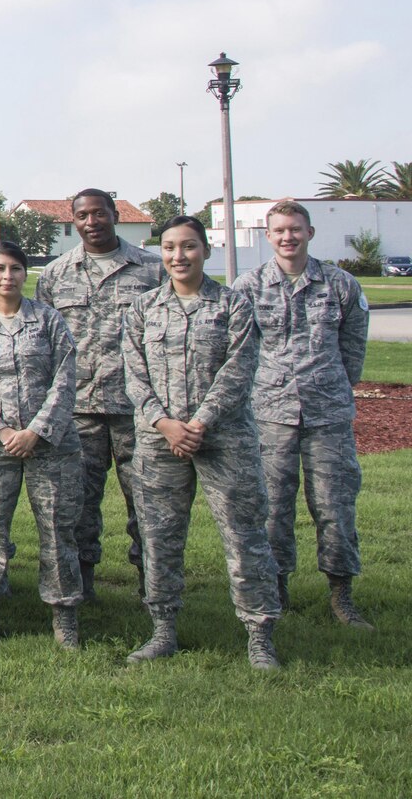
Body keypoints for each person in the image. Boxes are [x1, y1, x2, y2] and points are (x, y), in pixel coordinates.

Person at [122, 216, 282, 670]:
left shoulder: (234, 306)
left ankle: (259, 634)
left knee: (244, 536)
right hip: (159, 443)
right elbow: (134, 375)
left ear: (205, 251)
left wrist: (199, 424)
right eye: (170, 247)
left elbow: (238, 372)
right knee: (159, 539)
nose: (178, 256)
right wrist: (165, 424)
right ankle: (163, 629)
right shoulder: (142, 309)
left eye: (189, 247)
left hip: (224, 440)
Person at [233, 199, 372, 627]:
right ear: (268, 236)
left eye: (295, 229)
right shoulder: (248, 287)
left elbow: (353, 345)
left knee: (334, 504)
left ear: (310, 232)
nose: (288, 237)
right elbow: (237, 350)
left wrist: (332, 387)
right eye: (279, 230)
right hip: (270, 414)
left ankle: (341, 593)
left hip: (327, 414)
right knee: (272, 505)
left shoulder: (340, 284)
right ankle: (277, 587)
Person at [32, 189, 165, 601]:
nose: (91, 222)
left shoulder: (152, 269)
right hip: (79, 409)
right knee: (77, 505)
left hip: (136, 408)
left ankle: (152, 583)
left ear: (115, 214)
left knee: (146, 502)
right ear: (74, 221)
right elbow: (46, 345)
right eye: (82, 216)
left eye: (99, 214)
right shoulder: (56, 274)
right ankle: (83, 582)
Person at [0, 241, 82, 650]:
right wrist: (3, 432)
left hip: (50, 445)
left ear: (26, 275)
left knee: (58, 532)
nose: (8, 277)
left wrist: (35, 431)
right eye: (0, 269)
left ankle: (65, 618)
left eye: (16, 269)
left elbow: (65, 378)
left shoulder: (48, 321)